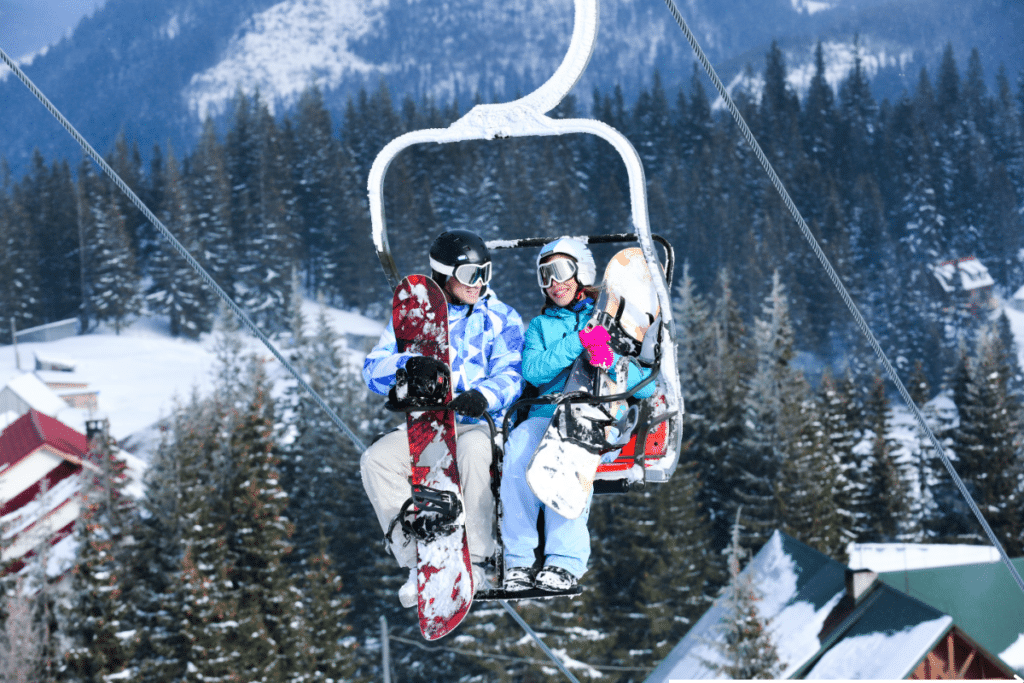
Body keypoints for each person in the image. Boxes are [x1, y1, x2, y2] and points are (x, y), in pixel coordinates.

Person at [361, 229, 524, 608]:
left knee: (472, 455)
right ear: (443, 273)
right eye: (470, 275)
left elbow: (513, 373)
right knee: (377, 461)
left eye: (486, 272)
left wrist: (482, 395)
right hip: (428, 425)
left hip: (478, 422)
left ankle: (479, 558)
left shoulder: (500, 318)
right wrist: (408, 366)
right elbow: (373, 369)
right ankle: (418, 558)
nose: (479, 283)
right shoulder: (414, 320)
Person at [499, 237, 654, 592]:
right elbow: (534, 371)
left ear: (580, 271)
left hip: (596, 412)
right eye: (545, 276)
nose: (554, 284)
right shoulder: (541, 327)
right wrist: (577, 343)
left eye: (561, 272)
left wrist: (610, 360)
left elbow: (645, 385)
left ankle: (564, 560)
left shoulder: (612, 318)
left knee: (570, 449)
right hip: (545, 413)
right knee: (520, 448)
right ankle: (519, 561)